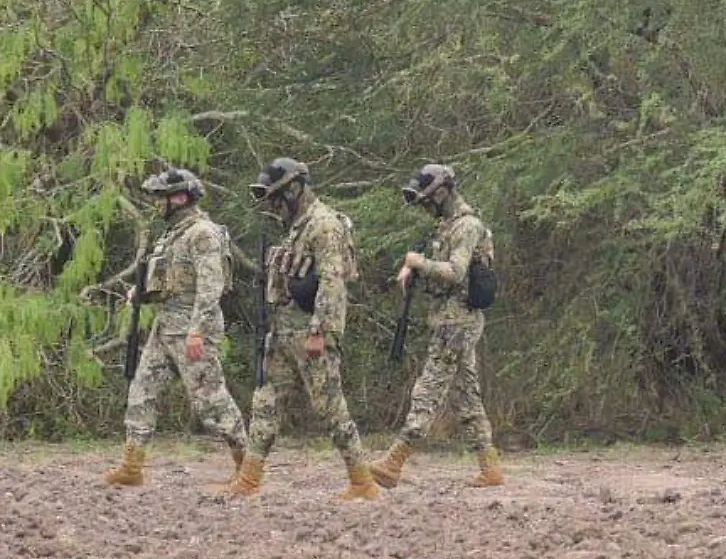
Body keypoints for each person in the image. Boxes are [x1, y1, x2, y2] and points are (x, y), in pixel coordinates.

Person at [227, 157, 379, 499]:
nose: (273, 205)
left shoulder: (323, 224)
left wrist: (319, 331)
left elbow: (331, 281)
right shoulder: (297, 226)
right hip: (283, 330)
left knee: (330, 407)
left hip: (310, 331)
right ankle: (249, 479)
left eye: (277, 197)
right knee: (266, 401)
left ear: (294, 189)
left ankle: (362, 482)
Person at [104, 167, 250, 487]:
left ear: (180, 198)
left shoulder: (203, 233)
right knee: (142, 393)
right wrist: (139, 292)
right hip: (166, 325)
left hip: (191, 330)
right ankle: (132, 467)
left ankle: (247, 468)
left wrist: (198, 330)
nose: (158, 204)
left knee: (211, 402)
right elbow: (168, 279)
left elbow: (211, 287)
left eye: (162, 198)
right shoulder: (174, 234)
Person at [368, 164, 504, 488]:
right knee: (466, 397)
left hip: (458, 321)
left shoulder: (467, 226)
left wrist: (418, 263)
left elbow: (456, 272)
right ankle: (490, 468)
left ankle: (394, 462)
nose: (426, 208)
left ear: (442, 193)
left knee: (428, 390)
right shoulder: (447, 227)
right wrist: (416, 270)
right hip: (449, 318)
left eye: (428, 200)